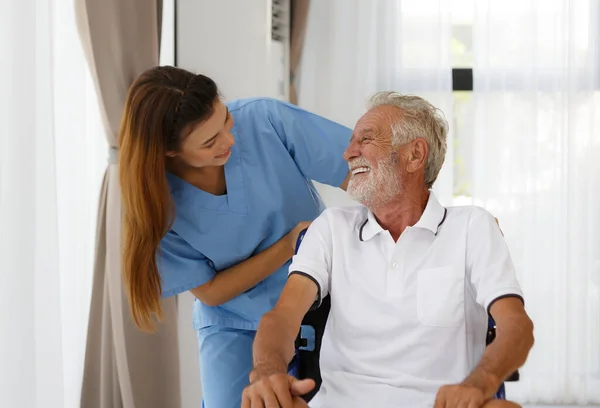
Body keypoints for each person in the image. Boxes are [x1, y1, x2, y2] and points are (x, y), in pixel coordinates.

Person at [243, 92, 535, 408]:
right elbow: (283, 318)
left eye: (365, 140)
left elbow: (516, 327)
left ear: (414, 155)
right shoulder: (332, 227)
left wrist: (479, 384)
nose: (348, 153)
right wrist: (268, 371)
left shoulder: (472, 227)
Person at [117, 66, 352, 408]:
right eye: (209, 142)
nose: (230, 140)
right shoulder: (156, 204)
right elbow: (211, 291)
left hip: (317, 296)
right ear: (169, 151)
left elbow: (357, 170)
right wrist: (287, 246)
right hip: (233, 321)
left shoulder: (263, 120)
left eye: (225, 119)